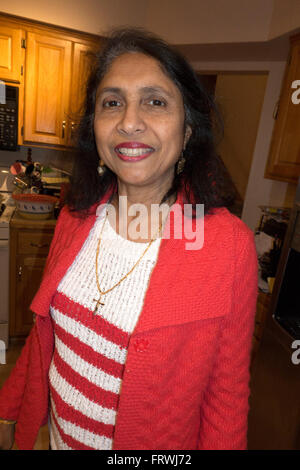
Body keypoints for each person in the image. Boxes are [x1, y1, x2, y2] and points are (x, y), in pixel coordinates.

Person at [0, 28, 258, 450]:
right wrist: (8, 407)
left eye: (155, 102)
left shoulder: (225, 245)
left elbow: (226, 395)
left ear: (188, 130)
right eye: (112, 102)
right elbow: (45, 333)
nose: (129, 121)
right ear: (95, 126)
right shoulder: (76, 216)